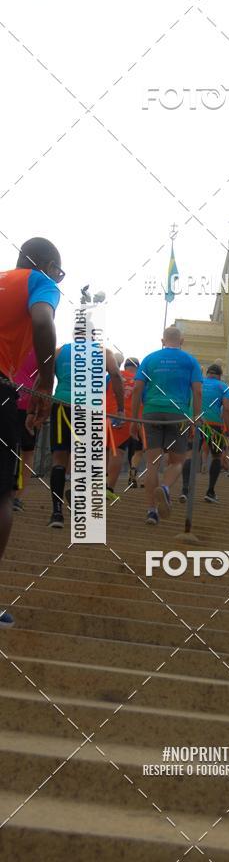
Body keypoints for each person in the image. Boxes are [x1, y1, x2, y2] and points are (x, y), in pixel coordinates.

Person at [0, 237, 63, 624]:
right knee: (2, 494)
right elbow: (42, 319)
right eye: (59, 272)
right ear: (46, 265)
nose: (59, 279)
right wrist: (45, 380)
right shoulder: (39, 282)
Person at [131, 327, 202, 525]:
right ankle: (166, 487)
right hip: (177, 414)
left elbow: (137, 388)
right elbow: (197, 392)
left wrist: (134, 419)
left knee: (152, 462)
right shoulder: (190, 361)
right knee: (177, 461)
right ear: (182, 341)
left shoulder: (150, 358)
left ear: (162, 340)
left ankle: (151, 511)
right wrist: (196, 418)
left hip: (151, 412)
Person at [48, 342, 123, 527]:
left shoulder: (60, 351)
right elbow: (115, 375)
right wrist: (120, 408)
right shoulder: (104, 352)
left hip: (62, 404)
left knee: (59, 458)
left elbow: (45, 376)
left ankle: (57, 513)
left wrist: (37, 406)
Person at [184, 362, 229, 503]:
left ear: (207, 374)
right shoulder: (223, 386)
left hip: (195, 421)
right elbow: (227, 409)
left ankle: (185, 490)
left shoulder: (198, 383)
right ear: (219, 376)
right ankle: (210, 492)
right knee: (216, 456)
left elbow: (189, 400)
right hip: (214, 425)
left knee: (189, 455)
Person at [106, 357, 142, 501]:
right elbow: (142, 400)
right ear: (137, 368)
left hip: (105, 413)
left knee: (102, 450)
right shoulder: (140, 380)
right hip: (125, 417)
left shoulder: (112, 374)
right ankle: (108, 489)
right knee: (117, 452)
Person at [12, 347, 39, 512]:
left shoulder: (14, 339)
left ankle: (14, 496)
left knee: (15, 448)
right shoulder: (43, 347)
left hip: (9, 396)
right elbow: (44, 379)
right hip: (29, 403)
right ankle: (17, 497)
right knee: (27, 451)